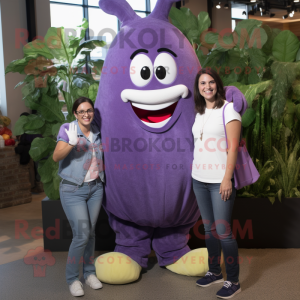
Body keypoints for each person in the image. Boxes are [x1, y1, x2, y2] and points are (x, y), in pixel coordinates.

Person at [192, 68, 242, 299]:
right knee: (210, 229)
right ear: (198, 87)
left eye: (211, 82)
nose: (207, 87)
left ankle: (233, 280)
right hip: (199, 179)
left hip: (219, 181)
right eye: (203, 83)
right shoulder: (199, 112)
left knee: (223, 231)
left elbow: (233, 148)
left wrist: (227, 178)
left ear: (217, 84)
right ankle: (214, 272)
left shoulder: (229, 110)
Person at [53, 97, 105, 297]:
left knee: (90, 233)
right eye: (81, 111)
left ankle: (89, 274)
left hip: (95, 188)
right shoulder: (68, 129)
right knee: (81, 235)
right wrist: (71, 144)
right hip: (73, 189)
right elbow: (56, 156)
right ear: (75, 113)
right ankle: (73, 279)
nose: (86, 114)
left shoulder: (97, 131)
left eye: (89, 110)